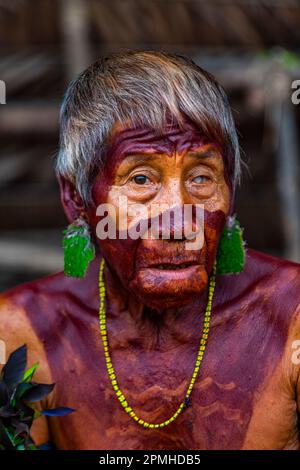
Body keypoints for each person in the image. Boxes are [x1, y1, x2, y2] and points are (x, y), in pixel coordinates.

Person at [1, 51, 300, 450]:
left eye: (201, 177)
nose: (178, 222)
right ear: (76, 197)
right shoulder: (25, 332)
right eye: (141, 178)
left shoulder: (291, 318)